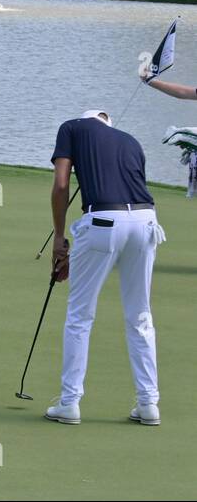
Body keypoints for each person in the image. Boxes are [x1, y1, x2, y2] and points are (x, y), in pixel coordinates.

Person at [45, 110, 163, 426]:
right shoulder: (131, 141)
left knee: (80, 315)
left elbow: (60, 185)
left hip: (102, 222)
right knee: (140, 315)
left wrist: (60, 239)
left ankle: (70, 403)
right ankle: (149, 404)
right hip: (147, 223)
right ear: (107, 123)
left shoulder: (70, 128)